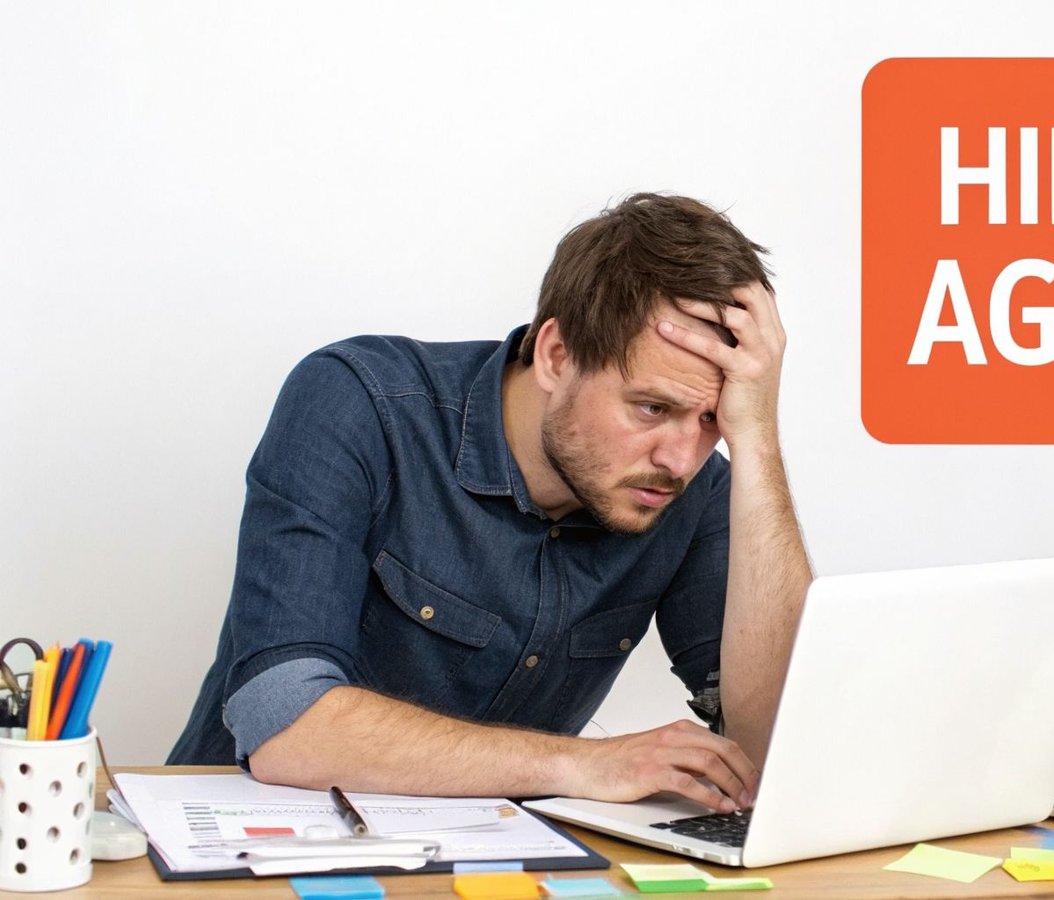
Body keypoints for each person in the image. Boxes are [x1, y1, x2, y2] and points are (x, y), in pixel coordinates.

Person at [169, 194, 812, 814]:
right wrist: (583, 764)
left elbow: (782, 745)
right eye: (652, 407)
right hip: (249, 855)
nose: (680, 458)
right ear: (557, 355)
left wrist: (756, 438)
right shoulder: (360, 405)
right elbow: (284, 723)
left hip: (501, 864)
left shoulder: (691, 489)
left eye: (712, 419)